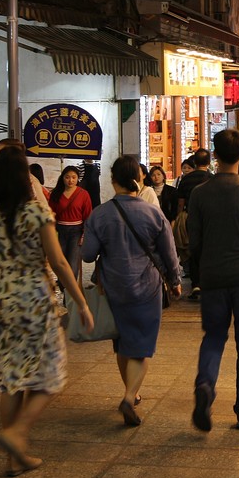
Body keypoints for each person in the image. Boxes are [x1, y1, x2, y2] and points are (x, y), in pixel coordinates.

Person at [0, 147, 93, 476]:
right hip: (33, 299)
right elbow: (59, 262)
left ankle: (14, 458)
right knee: (51, 374)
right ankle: (17, 433)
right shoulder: (36, 212)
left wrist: (4, 256)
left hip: (0, 298)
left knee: (11, 380)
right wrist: (80, 302)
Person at [82, 156, 182, 426]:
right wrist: (175, 280)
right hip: (147, 287)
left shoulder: (99, 214)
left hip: (113, 287)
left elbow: (88, 254)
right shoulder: (153, 213)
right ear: (139, 179)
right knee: (141, 345)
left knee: (122, 342)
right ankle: (129, 396)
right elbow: (169, 252)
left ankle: (131, 392)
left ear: (113, 180)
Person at [187, 129, 239, 431]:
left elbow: (194, 242)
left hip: (213, 276)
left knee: (213, 337)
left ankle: (205, 384)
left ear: (215, 155)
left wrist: (204, 265)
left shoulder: (199, 194)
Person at [175, 148, 213, 300]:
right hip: (209, 219)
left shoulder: (186, 179)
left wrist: (179, 217)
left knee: (193, 249)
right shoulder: (212, 178)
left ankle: (196, 284)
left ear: (195, 162)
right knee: (208, 249)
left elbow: (180, 202)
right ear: (208, 162)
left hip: (191, 218)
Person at [48, 166, 93, 289]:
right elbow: (50, 213)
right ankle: (63, 287)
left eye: (73, 177)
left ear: (78, 178)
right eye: (67, 177)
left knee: (73, 264)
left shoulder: (83, 194)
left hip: (76, 232)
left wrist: (84, 234)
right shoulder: (56, 194)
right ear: (62, 178)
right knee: (60, 262)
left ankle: (69, 292)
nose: (70, 180)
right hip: (60, 231)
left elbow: (88, 216)